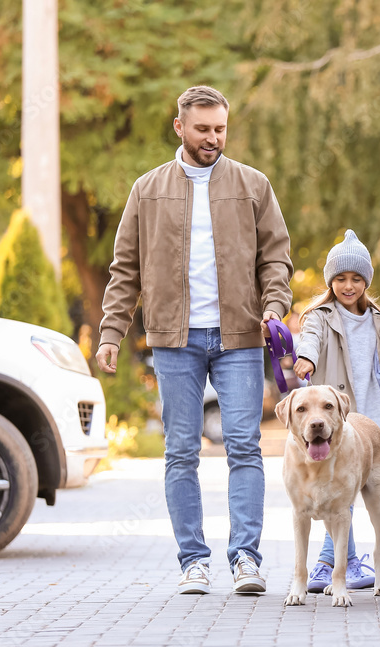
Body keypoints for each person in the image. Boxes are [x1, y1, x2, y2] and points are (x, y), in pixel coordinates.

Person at [96, 85, 293, 595]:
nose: (213, 138)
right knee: (181, 451)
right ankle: (193, 562)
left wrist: (274, 305)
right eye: (203, 129)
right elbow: (126, 269)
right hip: (173, 338)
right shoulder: (148, 188)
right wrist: (112, 332)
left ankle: (246, 559)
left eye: (220, 129)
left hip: (241, 336)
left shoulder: (253, 184)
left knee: (245, 448)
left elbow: (276, 257)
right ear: (179, 127)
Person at [293, 229, 380, 595]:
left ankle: (334, 563)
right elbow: (309, 339)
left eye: (356, 278)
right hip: (333, 420)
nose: (348, 285)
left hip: (367, 417)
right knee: (337, 496)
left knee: (346, 495)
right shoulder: (319, 316)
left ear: (366, 281)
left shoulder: (377, 319)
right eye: (340, 278)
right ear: (330, 281)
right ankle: (333, 562)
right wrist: (305, 356)